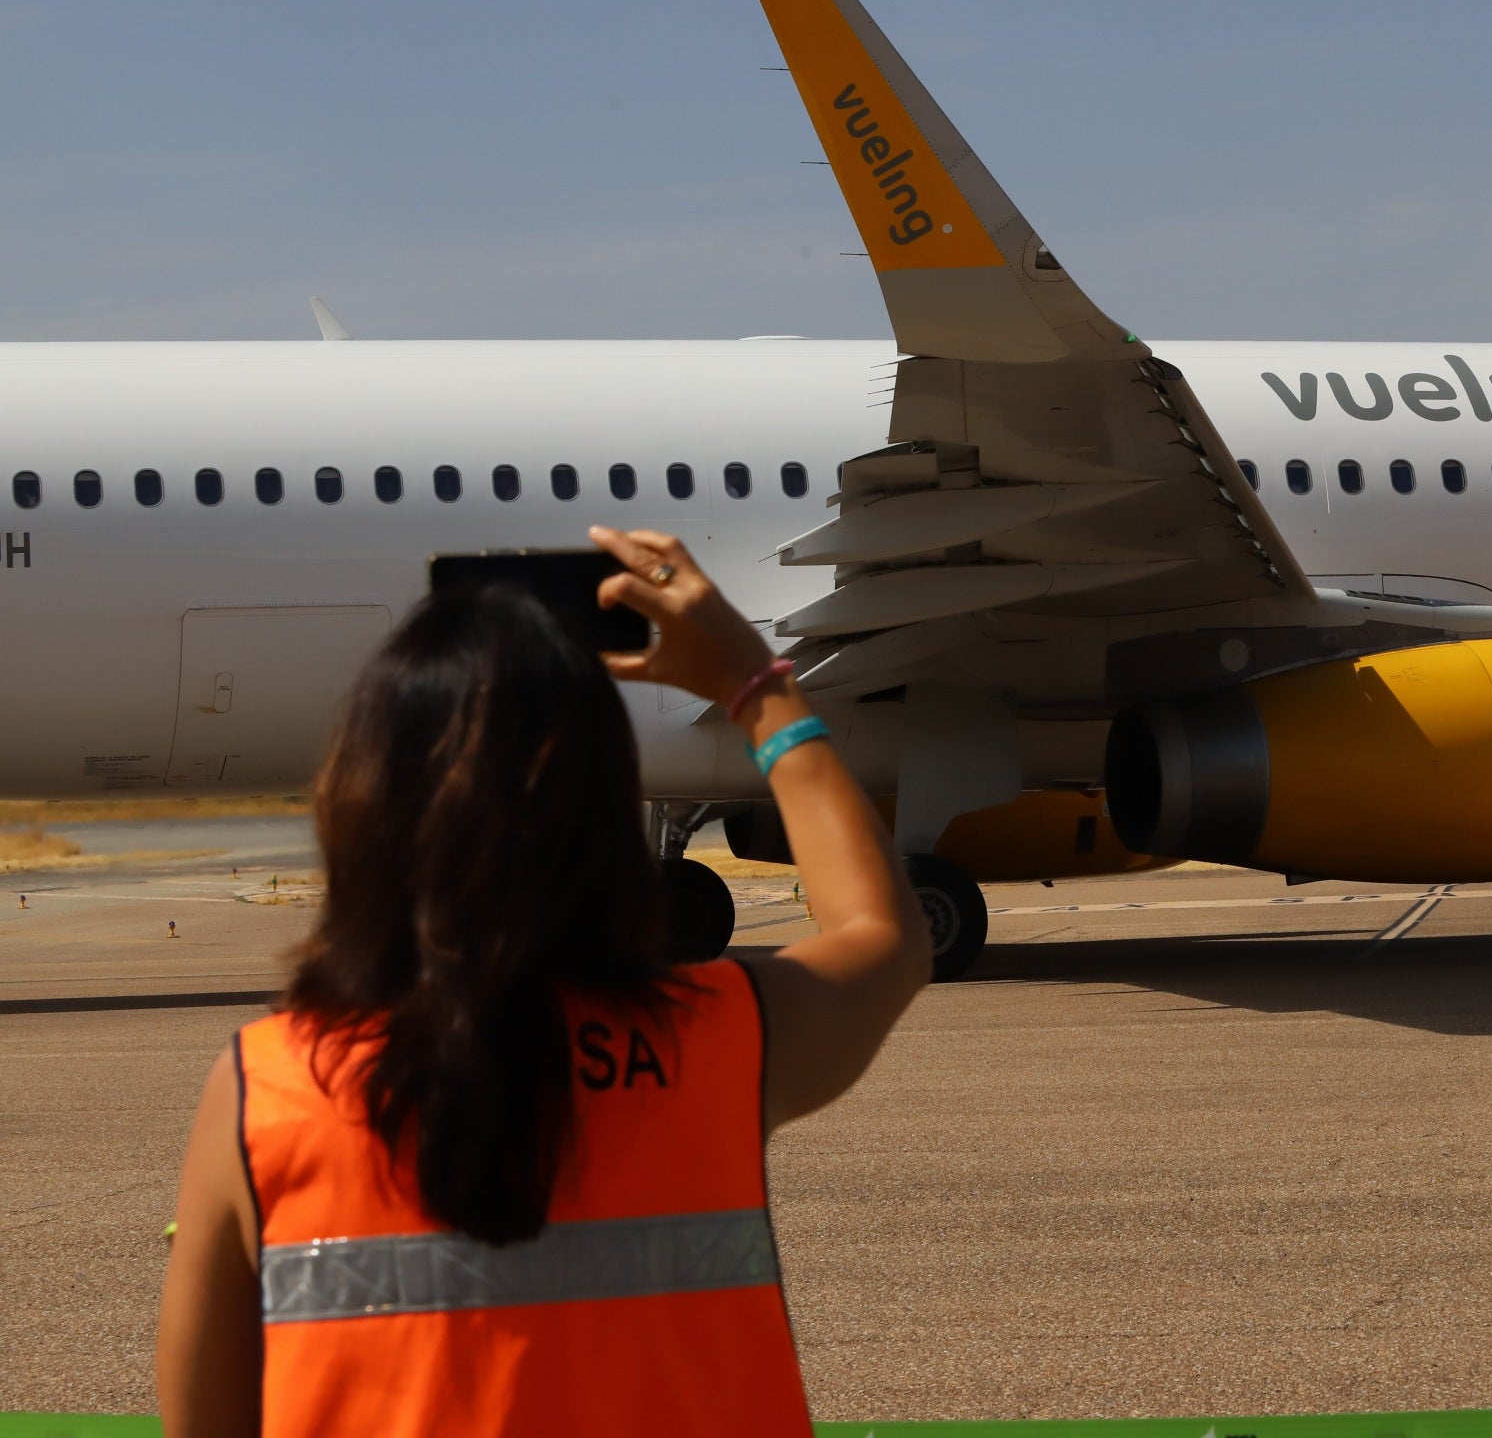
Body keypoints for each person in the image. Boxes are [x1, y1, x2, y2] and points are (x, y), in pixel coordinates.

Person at [156, 527, 928, 1437]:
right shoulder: (715, 1041)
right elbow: (884, 933)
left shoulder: (269, 1088)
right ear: (601, 808)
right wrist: (755, 688)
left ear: (359, 806)